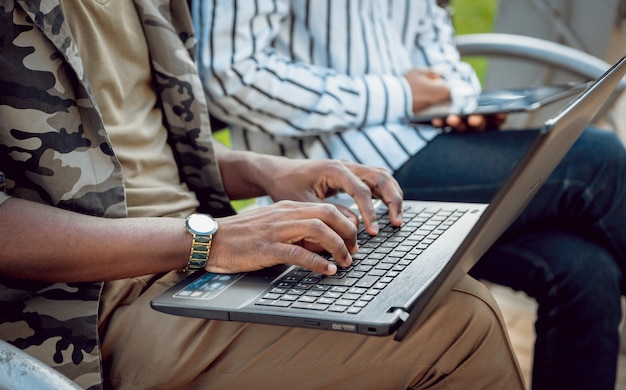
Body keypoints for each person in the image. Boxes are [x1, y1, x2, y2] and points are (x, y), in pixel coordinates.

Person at [0, 1, 526, 389]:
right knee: (458, 323)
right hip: (83, 307)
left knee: (432, 282)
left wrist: (267, 171)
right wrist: (207, 238)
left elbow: (141, 151)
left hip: (200, 257)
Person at [194, 1, 626, 389]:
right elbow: (231, 74)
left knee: (585, 270)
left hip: (428, 143)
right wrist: (398, 95)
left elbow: (434, 31)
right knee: (596, 160)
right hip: (337, 174)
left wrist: (459, 101)